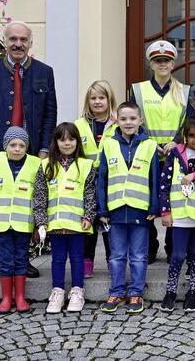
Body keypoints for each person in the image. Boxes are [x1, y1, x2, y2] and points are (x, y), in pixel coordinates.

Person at [0, 20, 57, 280]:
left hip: (32, 153)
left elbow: (49, 114)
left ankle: (24, 260)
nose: (18, 44)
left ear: (31, 42)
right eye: (13, 39)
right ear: (5, 42)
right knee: (1, 203)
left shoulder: (44, 71)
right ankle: (1, 261)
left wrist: (44, 148)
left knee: (28, 204)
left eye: (23, 39)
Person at [130, 40, 193, 264]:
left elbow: (190, 123)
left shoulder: (184, 91)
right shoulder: (138, 89)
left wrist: (177, 141)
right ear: (152, 64)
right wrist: (147, 142)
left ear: (173, 63)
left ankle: (172, 247)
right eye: (158, 61)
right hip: (148, 154)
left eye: (166, 60)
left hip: (175, 156)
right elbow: (131, 119)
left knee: (173, 201)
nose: (162, 64)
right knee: (147, 201)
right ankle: (149, 247)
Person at [97, 102, 160, 314]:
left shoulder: (149, 145)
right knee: (116, 255)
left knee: (139, 256)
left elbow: (154, 178)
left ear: (140, 120)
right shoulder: (108, 144)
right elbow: (102, 179)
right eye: (123, 119)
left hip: (140, 210)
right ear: (117, 120)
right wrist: (102, 209)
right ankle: (116, 292)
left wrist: (154, 206)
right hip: (114, 211)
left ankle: (135, 293)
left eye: (133, 118)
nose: (128, 123)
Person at [33, 123, 96, 314]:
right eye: (62, 139)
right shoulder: (45, 166)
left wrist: (89, 215)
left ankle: (77, 292)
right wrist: (41, 221)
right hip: (55, 225)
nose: (67, 143)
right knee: (58, 259)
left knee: (77, 258)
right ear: (56, 142)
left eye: (71, 139)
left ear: (78, 141)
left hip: (77, 224)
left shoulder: (86, 165)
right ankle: (58, 292)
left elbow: (90, 193)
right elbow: (39, 195)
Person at [0, 127, 41, 313]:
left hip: (23, 225)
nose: (17, 149)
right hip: (2, 226)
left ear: (26, 148)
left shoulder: (34, 165)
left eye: (22, 145)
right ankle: (6, 298)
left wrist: (39, 225)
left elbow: (39, 198)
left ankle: (20, 298)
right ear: (5, 146)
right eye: (12, 145)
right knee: (5, 262)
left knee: (21, 260)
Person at [159, 115, 195, 312]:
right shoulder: (175, 154)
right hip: (179, 214)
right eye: (192, 136)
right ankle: (171, 291)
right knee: (178, 254)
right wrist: (165, 211)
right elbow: (164, 183)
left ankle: (193, 292)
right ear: (185, 136)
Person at [75, 80, 117, 278]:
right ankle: (86, 262)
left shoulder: (117, 125)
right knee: (88, 222)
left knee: (109, 222)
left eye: (102, 97)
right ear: (87, 101)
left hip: (111, 181)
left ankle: (112, 261)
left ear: (110, 100)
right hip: (86, 182)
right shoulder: (79, 125)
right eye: (93, 98)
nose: (97, 102)